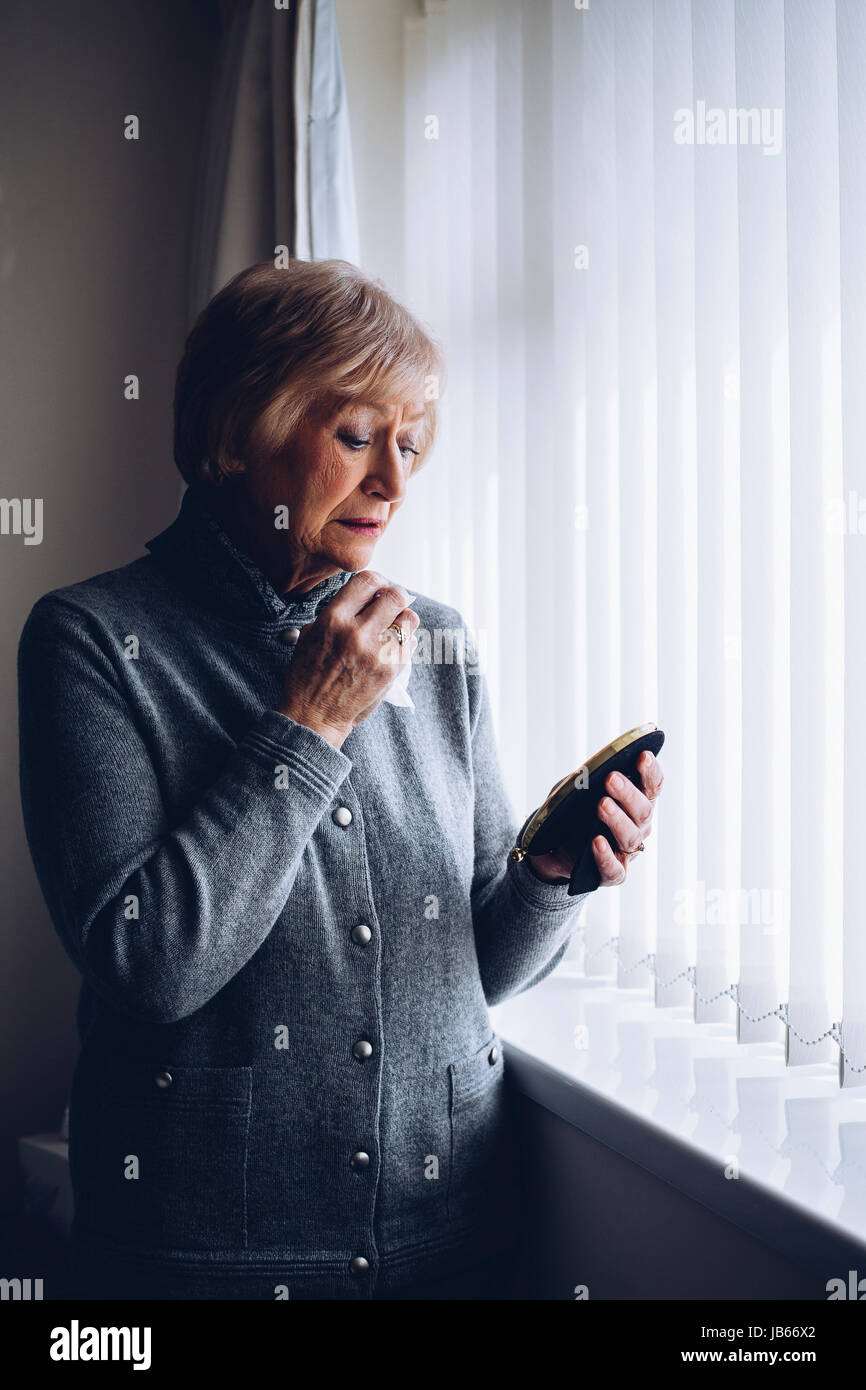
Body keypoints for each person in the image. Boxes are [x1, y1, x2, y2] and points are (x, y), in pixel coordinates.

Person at [17, 258, 663, 1300]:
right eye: (358, 436)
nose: (394, 483)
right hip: (200, 1260)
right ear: (233, 433)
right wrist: (309, 721)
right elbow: (146, 965)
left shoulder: (436, 641)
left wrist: (547, 875)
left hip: (455, 1238)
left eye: (410, 445)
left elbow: (471, 975)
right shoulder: (91, 640)